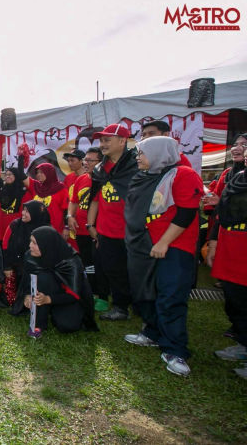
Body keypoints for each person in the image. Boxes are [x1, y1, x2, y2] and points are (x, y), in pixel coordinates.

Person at [123, 137, 202, 377]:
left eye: (142, 153)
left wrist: (164, 242)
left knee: (170, 296)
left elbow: (187, 213)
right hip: (144, 245)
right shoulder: (144, 177)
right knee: (146, 291)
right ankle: (152, 332)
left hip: (173, 246)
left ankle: (175, 349)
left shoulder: (183, 175)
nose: (138, 158)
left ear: (158, 153)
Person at [86, 124, 139, 321]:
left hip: (133, 230)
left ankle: (141, 305)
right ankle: (120, 307)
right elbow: (94, 199)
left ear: (122, 141)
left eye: (107, 140)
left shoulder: (137, 164)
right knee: (113, 270)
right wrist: (91, 225)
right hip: (106, 230)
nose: (103, 144)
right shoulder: (99, 169)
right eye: (101, 140)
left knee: (137, 271)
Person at [206, 150, 247, 379]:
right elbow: (222, 214)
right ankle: (243, 344)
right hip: (231, 243)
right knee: (234, 298)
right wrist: (213, 242)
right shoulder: (238, 177)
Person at [18, 226, 98, 338]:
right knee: (44, 277)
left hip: (67, 297)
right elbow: (28, 279)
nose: (30, 245)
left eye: (35, 243)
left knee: (68, 326)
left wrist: (48, 299)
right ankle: (40, 323)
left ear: (47, 245)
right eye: (30, 241)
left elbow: (74, 295)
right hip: (47, 290)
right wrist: (27, 295)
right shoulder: (30, 255)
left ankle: (53, 310)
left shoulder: (71, 262)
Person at [66, 147, 109, 310]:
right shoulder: (81, 179)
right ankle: (91, 292)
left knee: (101, 262)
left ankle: (103, 295)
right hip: (80, 229)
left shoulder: (104, 180)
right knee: (87, 263)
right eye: (85, 160)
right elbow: (73, 201)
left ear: (101, 162)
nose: (86, 163)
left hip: (98, 230)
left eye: (90, 160)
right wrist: (70, 216)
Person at [2, 200, 51, 306]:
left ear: (35, 213)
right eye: (23, 210)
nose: (23, 213)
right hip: (16, 266)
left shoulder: (45, 229)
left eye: (27, 211)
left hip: (37, 268)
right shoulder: (15, 225)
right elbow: (5, 245)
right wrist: (7, 266)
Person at [23, 162, 69, 233]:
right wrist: (21, 158)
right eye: (37, 173)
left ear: (50, 173)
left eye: (42, 172)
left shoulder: (60, 188)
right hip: (36, 229)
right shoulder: (35, 186)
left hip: (54, 229)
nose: (38, 175)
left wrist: (66, 227)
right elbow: (21, 176)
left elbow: (66, 209)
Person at [0, 156, 29, 243]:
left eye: (10, 174)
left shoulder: (22, 191)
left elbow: (24, 210)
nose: (7, 176)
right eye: (6, 175)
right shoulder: (3, 190)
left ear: (16, 176)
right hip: (3, 223)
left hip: (16, 224)